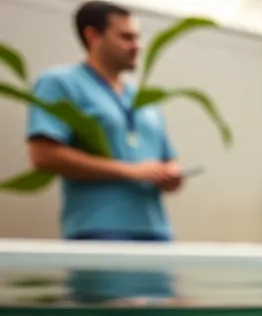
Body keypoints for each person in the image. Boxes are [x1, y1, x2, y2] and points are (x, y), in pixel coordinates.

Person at [26, 1, 185, 243]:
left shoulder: (144, 99)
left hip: (157, 233)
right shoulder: (60, 83)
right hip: (99, 231)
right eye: (126, 37)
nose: (137, 47)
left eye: (138, 38)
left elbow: (167, 158)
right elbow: (43, 155)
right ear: (92, 35)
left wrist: (171, 174)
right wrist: (130, 171)